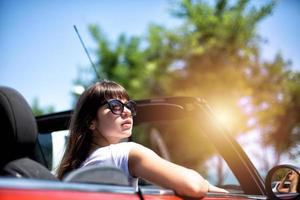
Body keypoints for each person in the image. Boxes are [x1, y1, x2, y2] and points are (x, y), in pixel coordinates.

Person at [57, 80, 228, 197]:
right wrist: (206, 183)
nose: (127, 111)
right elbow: (192, 186)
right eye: (115, 106)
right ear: (91, 122)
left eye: (128, 105)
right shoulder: (126, 152)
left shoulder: (79, 167)